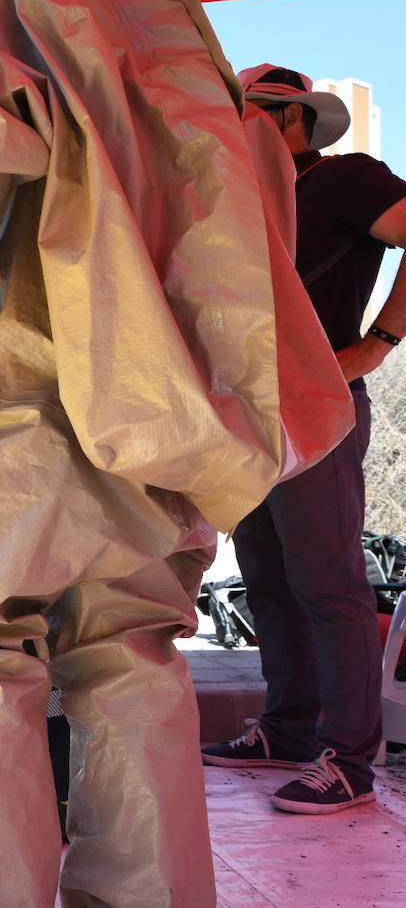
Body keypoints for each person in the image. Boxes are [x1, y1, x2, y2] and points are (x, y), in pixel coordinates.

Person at [0, 0, 350, 904]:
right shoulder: (174, 24)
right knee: (132, 658)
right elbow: (247, 201)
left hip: (7, 384)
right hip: (157, 395)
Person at [201, 65, 406, 815]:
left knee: (329, 581)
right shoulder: (238, 199)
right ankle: (287, 731)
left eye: (247, 115)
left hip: (318, 409)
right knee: (268, 577)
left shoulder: (344, 178)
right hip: (251, 415)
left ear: (291, 120)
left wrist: (380, 341)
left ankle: (350, 759)